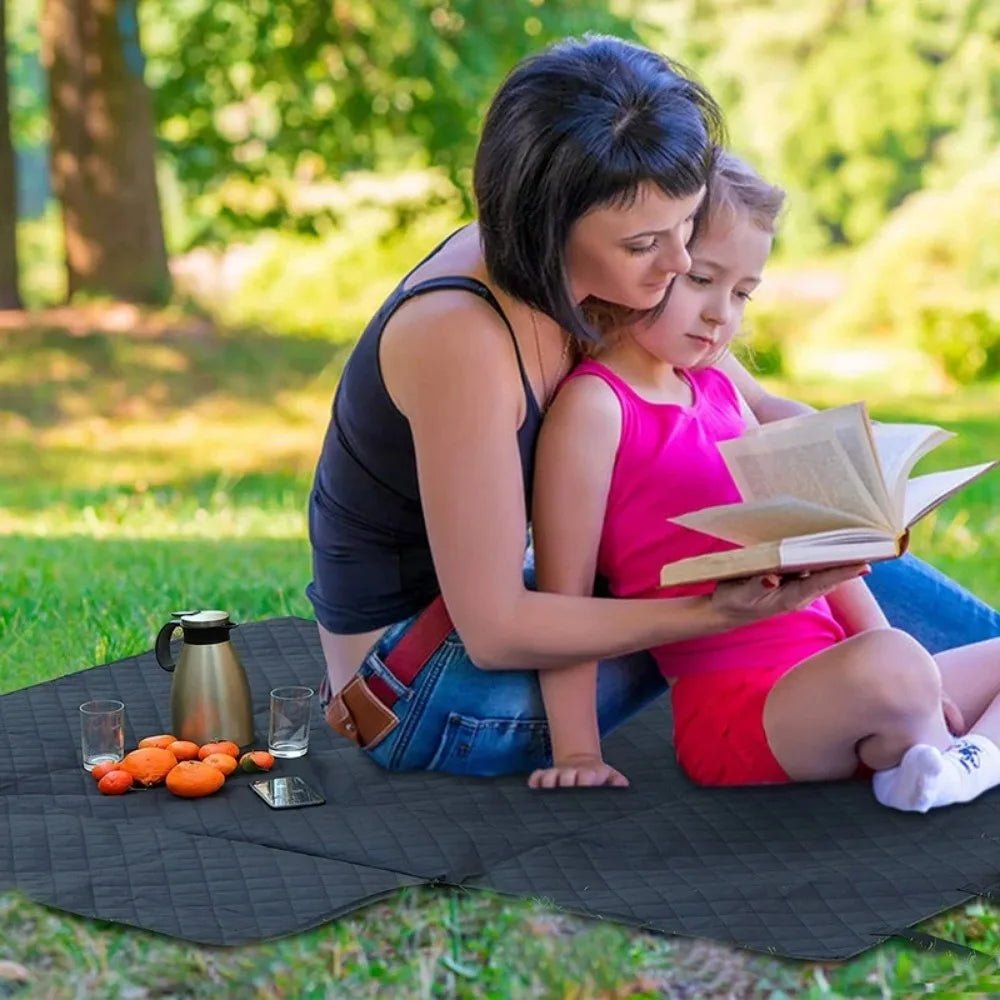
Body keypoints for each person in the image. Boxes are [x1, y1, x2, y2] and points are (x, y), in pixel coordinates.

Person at [306, 34, 1000, 783]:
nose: (674, 268)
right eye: (648, 244)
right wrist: (717, 613)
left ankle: (934, 726)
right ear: (551, 227)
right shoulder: (461, 338)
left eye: (686, 232)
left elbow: (763, 407)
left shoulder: (611, 275)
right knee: (789, 597)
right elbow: (497, 631)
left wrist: (857, 486)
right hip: (428, 688)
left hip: (519, 616)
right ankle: (905, 719)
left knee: (821, 550)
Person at [527, 151, 1000, 813]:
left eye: (743, 292)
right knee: (893, 667)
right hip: (742, 709)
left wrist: (909, 671)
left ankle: (950, 761)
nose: (722, 314)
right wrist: (577, 752)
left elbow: (826, 556)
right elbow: (564, 598)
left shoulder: (719, 389)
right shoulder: (597, 408)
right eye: (703, 281)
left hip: (840, 672)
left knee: (909, 660)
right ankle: (944, 754)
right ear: (647, 262)